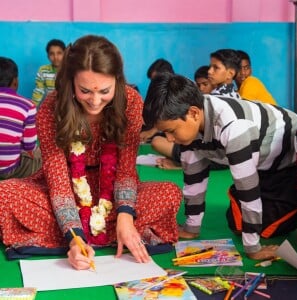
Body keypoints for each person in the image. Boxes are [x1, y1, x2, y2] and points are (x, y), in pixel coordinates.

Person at [0, 35, 182, 268]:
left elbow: (126, 170)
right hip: (64, 189)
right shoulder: (50, 108)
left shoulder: (132, 102)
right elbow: (57, 181)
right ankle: (88, 237)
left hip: (115, 193)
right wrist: (74, 238)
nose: (95, 101)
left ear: (117, 81)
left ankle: (120, 229)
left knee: (169, 193)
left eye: (104, 91)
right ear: (70, 82)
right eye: (85, 91)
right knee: (5, 193)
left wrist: (126, 216)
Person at [142, 72, 297, 260]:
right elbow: (194, 179)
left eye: (171, 131)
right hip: (260, 164)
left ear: (193, 113)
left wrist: (253, 248)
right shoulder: (192, 122)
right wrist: (191, 228)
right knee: (237, 224)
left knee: (267, 228)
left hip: (287, 164)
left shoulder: (234, 128)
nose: (169, 139)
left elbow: (248, 190)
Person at [0, 57, 41, 179]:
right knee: (41, 157)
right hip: (8, 170)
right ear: (15, 82)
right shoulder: (27, 105)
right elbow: (29, 146)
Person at [31, 39, 66, 108]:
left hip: (67, 105)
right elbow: (39, 91)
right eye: (52, 54)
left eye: (59, 53)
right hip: (50, 106)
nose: (55, 57)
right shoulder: (43, 70)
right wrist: (31, 107)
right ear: (48, 56)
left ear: (65, 54)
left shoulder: (70, 70)